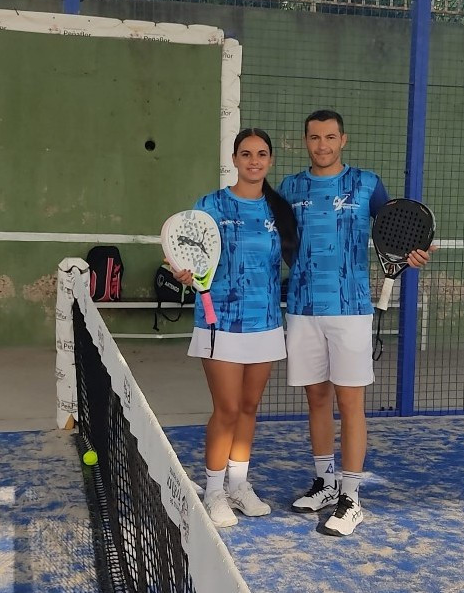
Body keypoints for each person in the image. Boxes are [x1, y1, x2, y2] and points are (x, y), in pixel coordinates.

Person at [278, 110, 435, 536]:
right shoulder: (289, 187)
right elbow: (279, 239)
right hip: (303, 308)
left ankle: (351, 498)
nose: (322, 145)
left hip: (350, 309)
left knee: (350, 404)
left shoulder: (366, 184)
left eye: (330, 137)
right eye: (315, 137)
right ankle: (325, 484)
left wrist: (414, 253)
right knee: (316, 399)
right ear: (305, 140)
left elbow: (398, 230)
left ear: (343, 140)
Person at [174, 128, 297, 528]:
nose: (254, 161)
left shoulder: (279, 210)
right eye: (246, 154)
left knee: (248, 407)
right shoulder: (210, 205)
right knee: (226, 409)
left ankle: (239, 486)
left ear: (270, 160)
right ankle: (213, 492)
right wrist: (183, 273)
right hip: (220, 322)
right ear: (234, 159)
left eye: (261, 154)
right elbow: (185, 255)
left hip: (265, 322)